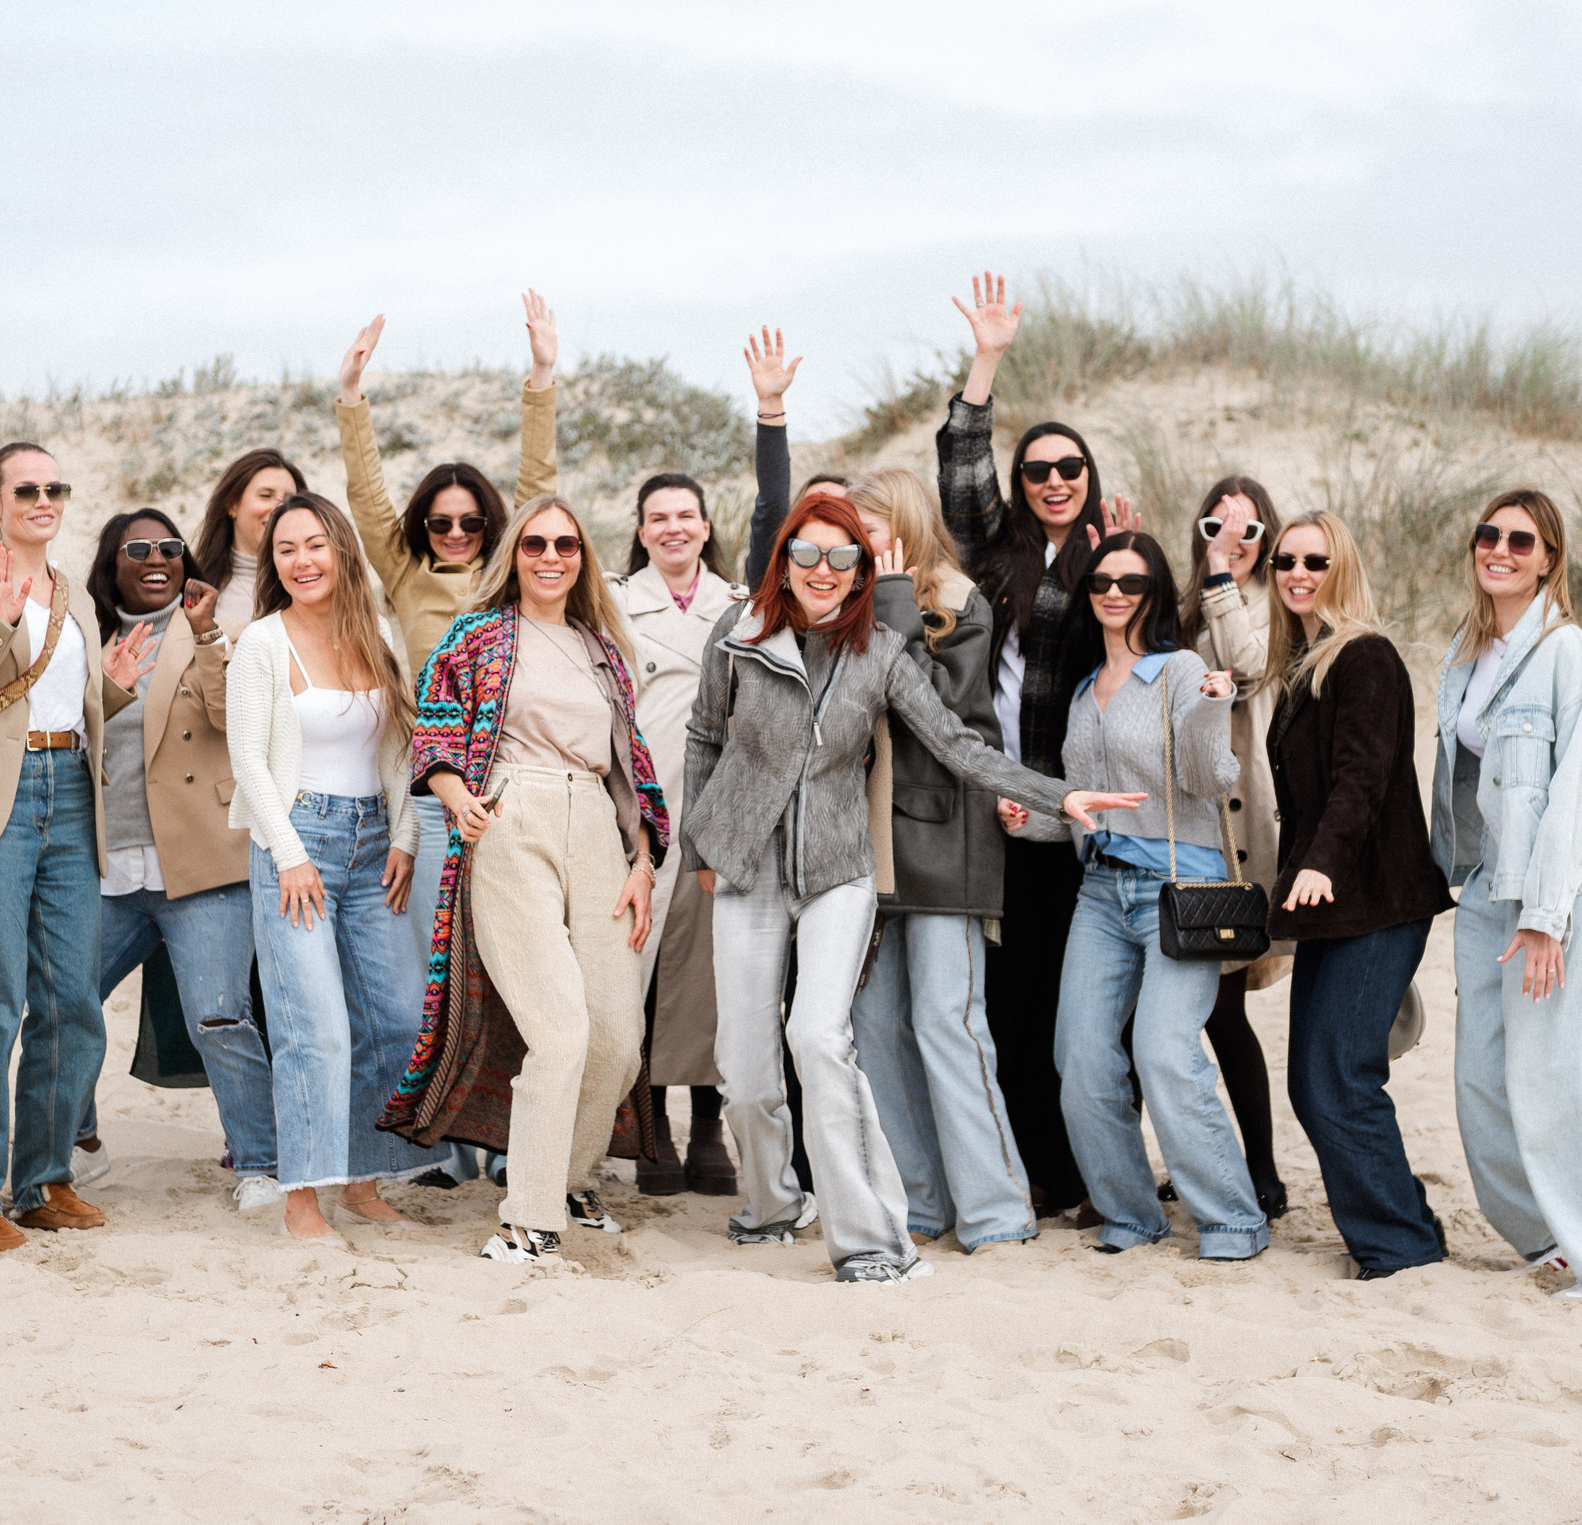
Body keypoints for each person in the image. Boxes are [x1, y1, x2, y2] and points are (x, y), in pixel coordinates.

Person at [682, 497, 1142, 1283]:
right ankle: (768, 1205)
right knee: (746, 1067)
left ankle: (870, 1241)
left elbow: (960, 743)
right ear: (784, 558)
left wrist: (1054, 794)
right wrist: (701, 841)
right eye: (808, 554)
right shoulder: (737, 635)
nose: (823, 572)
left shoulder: (883, 651)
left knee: (820, 1039)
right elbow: (705, 735)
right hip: (746, 866)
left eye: (842, 557)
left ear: (865, 570)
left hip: (838, 870)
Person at [386, 496, 668, 1263]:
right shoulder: (478, 635)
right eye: (536, 542)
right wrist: (457, 797)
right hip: (512, 817)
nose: (551, 556)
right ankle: (528, 1221)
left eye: (567, 544)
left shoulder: (603, 646)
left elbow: (631, 761)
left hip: (599, 835)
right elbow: (435, 724)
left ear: (583, 555)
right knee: (559, 1029)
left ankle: (567, 1178)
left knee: (618, 1039)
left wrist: (643, 859)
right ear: (514, 552)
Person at [1431, 491, 1582, 1300]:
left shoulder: (1570, 654)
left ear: (1548, 558)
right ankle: (1551, 1238)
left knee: (1566, 1082)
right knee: (1481, 1083)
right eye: (1487, 534)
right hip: (1487, 892)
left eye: (1519, 540)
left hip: (1559, 898)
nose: (1498, 549)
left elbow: (1580, 791)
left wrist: (1546, 917)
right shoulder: (1467, 657)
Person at [337, 296, 561, 1187]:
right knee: (440, 966)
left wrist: (541, 379)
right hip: (436, 793)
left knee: (514, 965)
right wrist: (351, 397)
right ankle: (442, 1143)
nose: (460, 532)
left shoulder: (515, 568)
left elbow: (540, 479)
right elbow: (365, 495)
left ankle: (509, 1139)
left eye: (473, 521)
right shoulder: (405, 573)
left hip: (515, 789)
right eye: (444, 522)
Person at [0, 442, 153, 1256]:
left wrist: (113, 686)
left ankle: (45, 1179)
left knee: (72, 1004)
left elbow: (64, 700)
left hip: (72, 792)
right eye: (27, 489)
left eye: (55, 488)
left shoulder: (80, 597)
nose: (43, 499)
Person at [936, 271, 1138, 1217]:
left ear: (1090, 479)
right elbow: (961, 468)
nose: (1054, 481)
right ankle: (1033, 1173)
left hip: (1085, 822)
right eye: (1038, 470)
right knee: (1012, 1008)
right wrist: (987, 360)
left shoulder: (1111, 563)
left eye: (1069, 469)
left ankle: (1094, 1172)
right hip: (1001, 813)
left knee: (1085, 1017)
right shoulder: (995, 552)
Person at [1009, 532, 1269, 1261]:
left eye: (1130, 580)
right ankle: (1131, 1212)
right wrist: (1033, 815)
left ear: (1154, 589)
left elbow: (1208, 777)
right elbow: (1087, 803)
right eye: (1101, 581)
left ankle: (1233, 1218)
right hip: (1100, 890)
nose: (1114, 592)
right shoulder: (1086, 684)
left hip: (1178, 887)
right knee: (1082, 1057)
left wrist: (1212, 708)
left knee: (1163, 1051)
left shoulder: (1179, 668)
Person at [225, 494, 429, 1242]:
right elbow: (248, 757)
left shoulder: (377, 634)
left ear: (342, 550)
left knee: (397, 1016)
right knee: (315, 1028)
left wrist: (404, 835)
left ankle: (362, 1182)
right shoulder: (261, 642)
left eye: (316, 545)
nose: (302, 560)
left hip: (376, 838)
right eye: (286, 550)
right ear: (274, 563)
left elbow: (405, 742)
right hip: (297, 839)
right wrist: (290, 855)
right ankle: (303, 1198)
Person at [846, 468, 1037, 1253]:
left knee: (947, 1021)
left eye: (871, 526)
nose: (857, 542)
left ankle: (997, 1212)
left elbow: (942, 719)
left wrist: (892, 596)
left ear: (908, 524)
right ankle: (922, 1202)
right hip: (863, 848)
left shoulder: (958, 601)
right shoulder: (843, 603)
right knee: (873, 1025)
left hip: (946, 838)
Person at [1264, 510, 1457, 1279]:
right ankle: (1405, 1220)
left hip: (1375, 900)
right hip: (1334, 908)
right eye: (1285, 559)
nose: (1298, 571)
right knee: (1313, 1082)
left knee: (1340, 1075)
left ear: (1341, 566)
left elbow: (1363, 776)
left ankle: (1400, 1246)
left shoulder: (1364, 656)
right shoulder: (1304, 663)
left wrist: (1321, 862)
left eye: (1315, 559)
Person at [73, 508, 277, 1207]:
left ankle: (260, 1163)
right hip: (106, 869)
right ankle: (80, 1141)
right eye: (139, 548)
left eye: (170, 546)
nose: (157, 557)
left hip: (202, 864)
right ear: (113, 562)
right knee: (65, 1003)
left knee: (220, 1016)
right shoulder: (84, 639)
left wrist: (209, 634)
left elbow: (234, 717)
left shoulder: (211, 634)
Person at [614, 471, 741, 1197]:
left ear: (704, 523)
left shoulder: (741, 604)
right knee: (646, 969)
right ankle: (649, 1123)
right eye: (657, 517)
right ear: (640, 530)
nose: (672, 528)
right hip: (643, 808)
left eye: (685, 515)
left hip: (718, 811)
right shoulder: (616, 603)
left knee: (714, 973)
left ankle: (709, 1125)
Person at [1178, 475, 1292, 1219]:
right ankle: (1212, 1160)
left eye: (1248, 533)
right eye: (1216, 527)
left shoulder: (1270, 605)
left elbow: (1248, 666)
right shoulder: (1189, 603)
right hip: (1184, 824)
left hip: (1238, 837)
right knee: (1183, 1011)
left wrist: (1220, 574)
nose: (1231, 543)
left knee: (1221, 1007)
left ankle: (1261, 1170)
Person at [741, 325, 852, 589]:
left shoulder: (868, 580)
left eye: (838, 506)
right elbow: (773, 503)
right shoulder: (775, 571)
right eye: (813, 504)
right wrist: (770, 402)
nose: (824, 513)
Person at [190, 448, 309, 638]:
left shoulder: (310, 581)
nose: (279, 508)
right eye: (265, 495)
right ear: (232, 505)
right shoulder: (199, 589)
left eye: (290, 500)